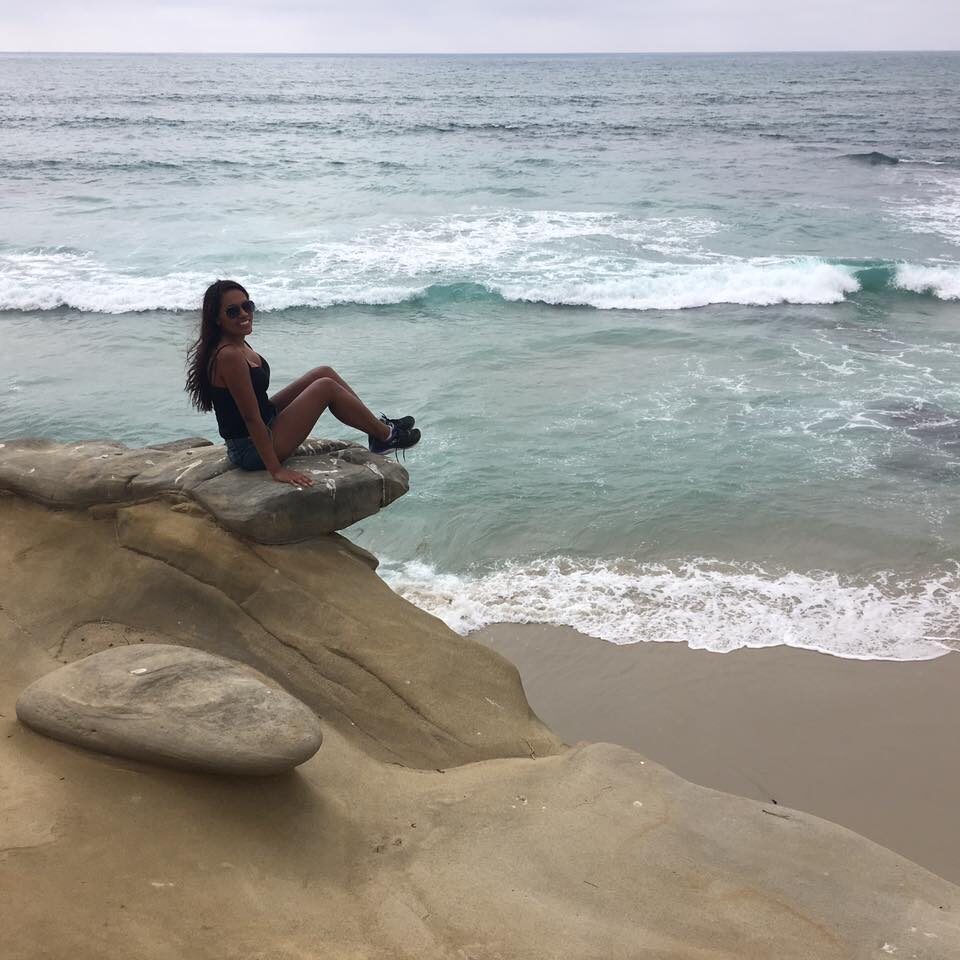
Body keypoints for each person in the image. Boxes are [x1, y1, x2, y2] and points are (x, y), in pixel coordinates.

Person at [186, 279, 419, 487]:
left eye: (247, 306)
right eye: (232, 311)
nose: (244, 314)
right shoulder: (229, 355)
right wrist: (276, 470)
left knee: (322, 372)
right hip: (250, 449)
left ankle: (378, 430)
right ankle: (387, 437)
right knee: (325, 387)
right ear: (217, 319)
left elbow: (257, 406)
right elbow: (250, 418)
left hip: (265, 423)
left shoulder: (238, 343)